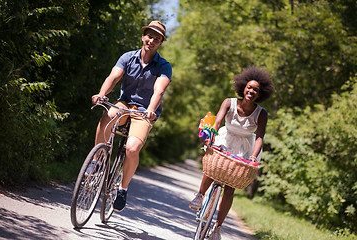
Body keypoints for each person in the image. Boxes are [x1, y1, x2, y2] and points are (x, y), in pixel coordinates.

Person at [91, 20, 172, 212]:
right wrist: (102, 95)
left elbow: (158, 91)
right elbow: (113, 77)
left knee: (132, 147)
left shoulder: (164, 66)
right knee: (109, 113)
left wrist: (151, 110)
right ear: (143, 36)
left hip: (143, 111)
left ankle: (122, 188)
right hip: (125, 103)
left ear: (160, 43)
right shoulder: (128, 57)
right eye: (149, 36)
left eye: (156, 38)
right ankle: (95, 163)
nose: (151, 40)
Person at [189, 66, 275, 240]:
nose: (251, 91)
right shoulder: (229, 102)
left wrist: (253, 156)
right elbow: (218, 120)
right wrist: (211, 138)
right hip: (225, 139)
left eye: (255, 90)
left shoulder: (261, 114)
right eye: (249, 87)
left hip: (244, 147)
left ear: (259, 94)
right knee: (213, 167)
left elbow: (259, 137)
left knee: (230, 188)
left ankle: (218, 228)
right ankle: (200, 195)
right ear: (243, 88)